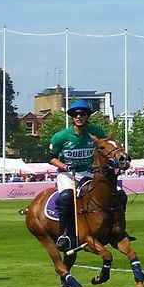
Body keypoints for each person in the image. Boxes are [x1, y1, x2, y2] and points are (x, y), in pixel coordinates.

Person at [47, 101, 108, 253]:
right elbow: (51, 157)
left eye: (82, 114)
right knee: (67, 196)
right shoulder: (60, 137)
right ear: (72, 117)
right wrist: (64, 166)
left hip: (89, 172)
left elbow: (105, 150)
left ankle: (116, 227)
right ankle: (63, 235)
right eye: (75, 114)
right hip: (68, 174)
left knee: (116, 193)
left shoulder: (97, 132)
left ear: (88, 116)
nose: (79, 116)